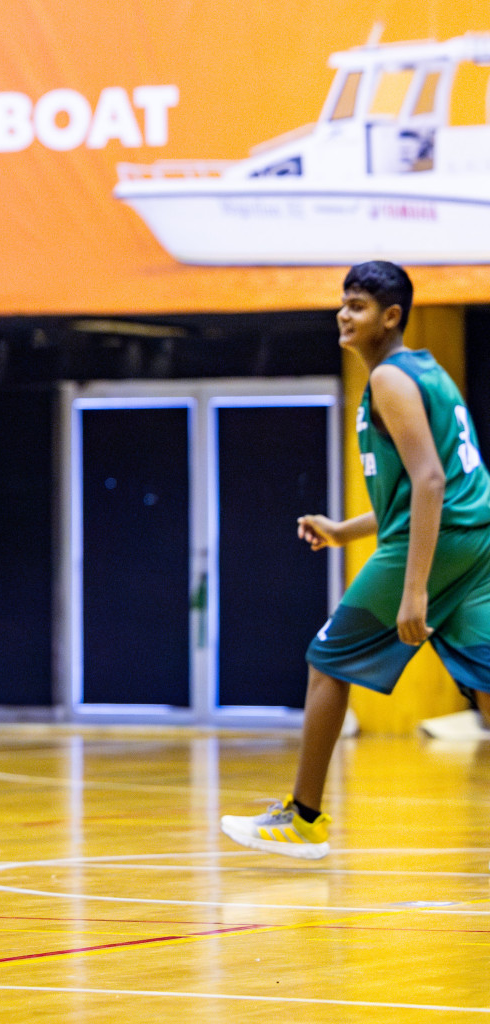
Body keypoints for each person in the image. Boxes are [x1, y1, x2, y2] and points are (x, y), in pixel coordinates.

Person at [222, 261, 490, 859]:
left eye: (359, 306)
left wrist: (414, 589)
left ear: (391, 317)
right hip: (475, 541)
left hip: (441, 543)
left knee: (327, 660)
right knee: (487, 678)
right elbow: (420, 490)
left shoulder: (391, 381)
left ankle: (304, 819)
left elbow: (429, 480)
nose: (345, 314)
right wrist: (346, 531)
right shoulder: (428, 373)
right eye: (343, 303)